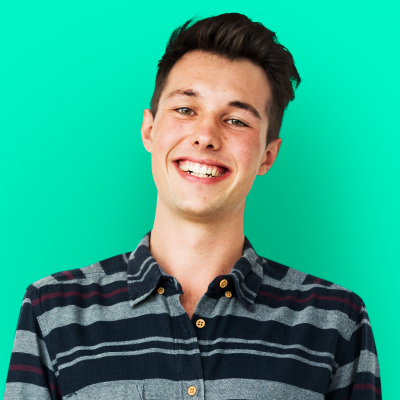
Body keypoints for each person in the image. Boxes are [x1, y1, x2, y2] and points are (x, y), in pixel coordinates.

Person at [4, 13, 381, 400]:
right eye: (185, 110)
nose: (205, 136)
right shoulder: (52, 311)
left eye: (236, 120)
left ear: (268, 155)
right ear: (150, 129)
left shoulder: (338, 320)